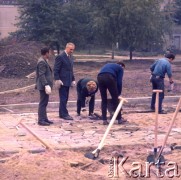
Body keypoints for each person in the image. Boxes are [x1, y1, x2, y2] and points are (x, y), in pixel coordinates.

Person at [53, 42, 76, 120]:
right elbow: (56, 69)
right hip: (62, 81)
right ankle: (64, 114)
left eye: (73, 49)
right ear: (66, 48)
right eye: (71, 49)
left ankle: (61, 113)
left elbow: (70, 69)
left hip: (68, 80)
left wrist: (73, 79)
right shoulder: (60, 56)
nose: (72, 51)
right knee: (63, 98)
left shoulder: (70, 57)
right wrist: (57, 79)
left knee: (65, 98)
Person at [35, 47, 53, 126]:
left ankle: (44, 118)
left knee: (45, 102)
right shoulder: (42, 61)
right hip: (43, 86)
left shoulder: (44, 60)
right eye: (49, 52)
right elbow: (41, 75)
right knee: (43, 103)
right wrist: (46, 85)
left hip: (45, 85)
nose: (50, 54)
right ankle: (41, 120)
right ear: (46, 53)